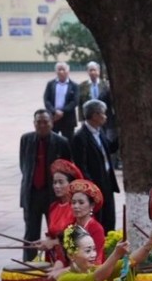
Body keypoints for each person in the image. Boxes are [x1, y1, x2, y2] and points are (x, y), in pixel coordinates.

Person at [18, 109, 72, 260]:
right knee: (30, 233)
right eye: (38, 122)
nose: (42, 125)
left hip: (52, 195)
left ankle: (57, 261)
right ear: (34, 123)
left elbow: (68, 169)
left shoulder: (61, 142)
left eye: (45, 122)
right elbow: (24, 166)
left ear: (52, 123)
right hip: (32, 194)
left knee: (55, 232)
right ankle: (29, 264)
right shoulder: (26, 139)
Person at [70, 99, 119, 233]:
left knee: (110, 218)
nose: (105, 117)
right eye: (103, 113)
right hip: (95, 186)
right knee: (99, 220)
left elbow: (109, 148)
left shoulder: (99, 131)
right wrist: (92, 188)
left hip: (107, 182)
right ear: (95, 115)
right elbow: (81, 166)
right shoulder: (80, 137)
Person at [43, 61, 79, 140]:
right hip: (53, 117)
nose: (61, 72)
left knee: (69, 141)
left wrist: (62, 111)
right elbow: (46, 99)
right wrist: (54, 111)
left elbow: (75, 101)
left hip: (68, 118)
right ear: (56, 71)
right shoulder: (50, 84)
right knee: (51, 140)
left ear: (68, 71)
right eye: (59, 69)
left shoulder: (74, 85)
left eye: (63, 69)